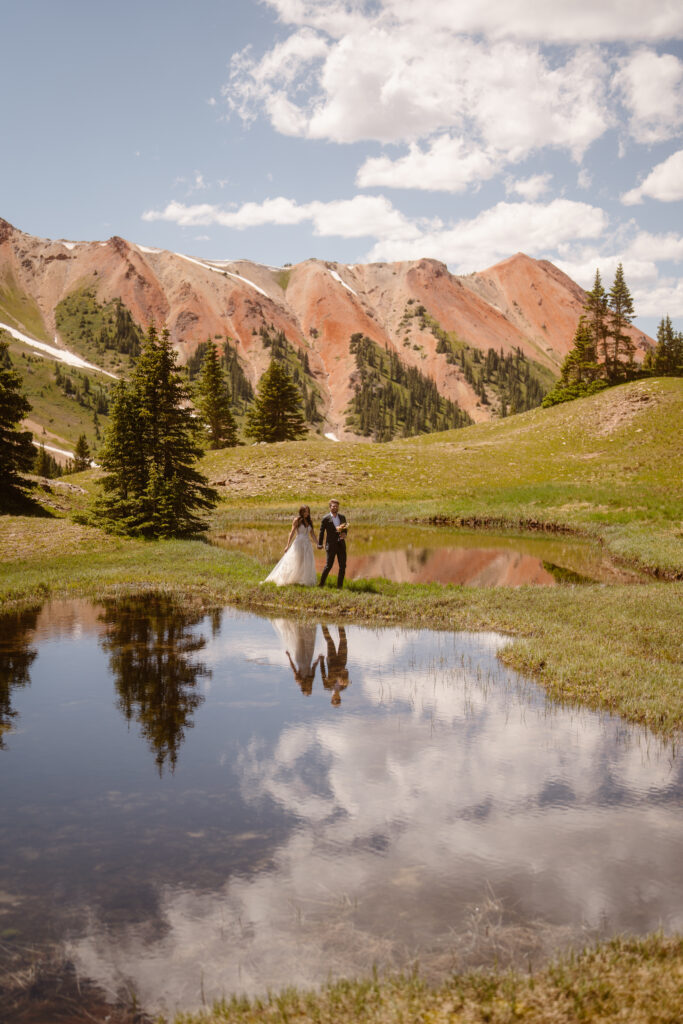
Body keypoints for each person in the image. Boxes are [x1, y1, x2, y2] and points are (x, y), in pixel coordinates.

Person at [263, 506, 317, 586]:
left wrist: (318, 543)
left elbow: (312, 534)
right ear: (301, 512)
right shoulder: (297, 520)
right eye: (305, 511)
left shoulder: (309, 521)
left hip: (307, 544)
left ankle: (303, 579)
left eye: (308, 511)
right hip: (299, 542)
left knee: (306, 561)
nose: (307, 513)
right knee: (295, 559)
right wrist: (287, 545)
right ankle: (287, 577)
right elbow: (292, 532)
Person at [317, 498, 348, 588]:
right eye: (333, 506)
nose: (335, 508)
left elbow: (345, 529)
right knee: (328, 566)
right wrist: (320, 544)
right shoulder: (325, 518)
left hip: (341, 545)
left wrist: (345, 534)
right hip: (331, 545)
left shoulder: (342, 517)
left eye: (336, 506)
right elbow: (321, 532)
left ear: (338, 507)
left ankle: (339, 586)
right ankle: (321, 584)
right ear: (330, 507)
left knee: (343, 566)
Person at [320, 625, 350, 705]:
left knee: (330, 641)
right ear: (340, 698)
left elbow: (323, 673)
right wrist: (343, 677)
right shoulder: (344, 686)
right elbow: (346, 671)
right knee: (343, 640)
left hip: (332, 661)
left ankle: (323, 623)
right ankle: (340, 623)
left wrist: (321, 660)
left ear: (332, 698)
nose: (336, 697)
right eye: (338, 699)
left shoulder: (327, 686)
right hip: (342, 660)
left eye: (335, 699)